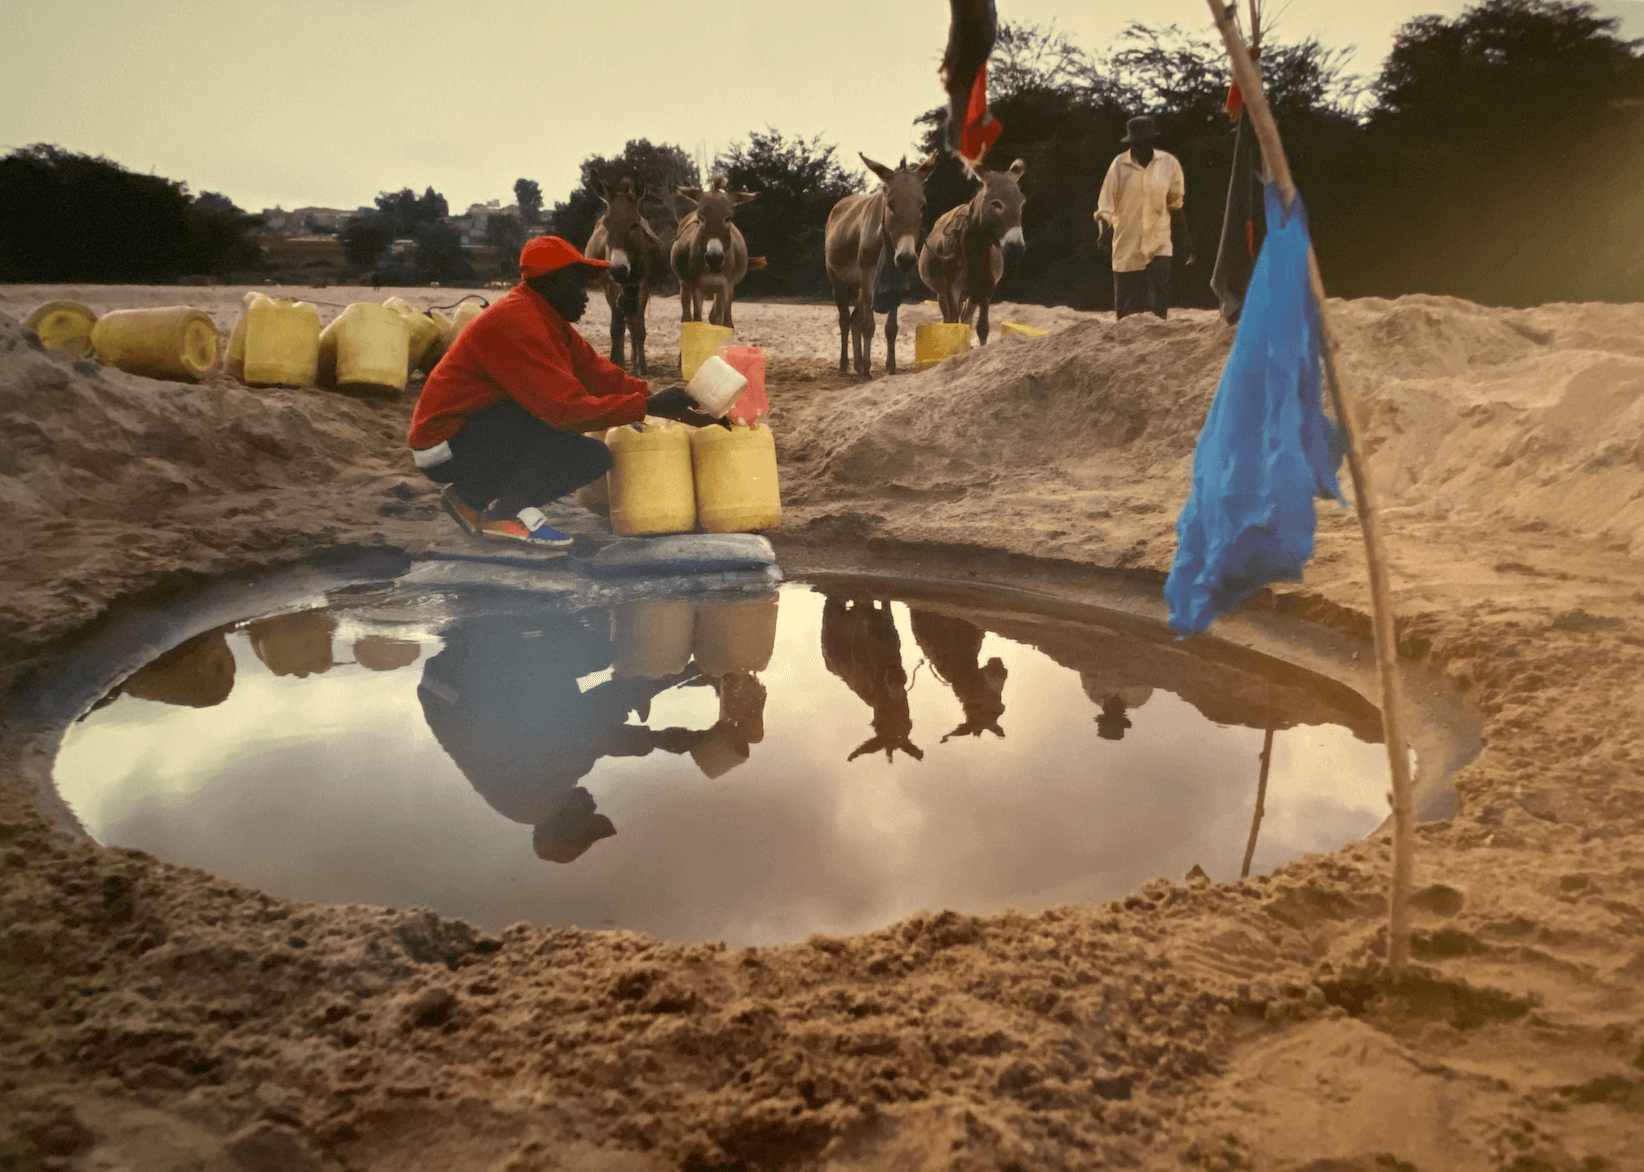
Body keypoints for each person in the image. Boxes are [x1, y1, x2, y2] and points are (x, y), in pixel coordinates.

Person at [407, 235, 714, 548]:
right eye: (578, 284)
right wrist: (646, 407)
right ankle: (500, 513)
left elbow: (598, 374)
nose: (585, 296)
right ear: (553, 282)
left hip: (477, 431)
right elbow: (567, 412)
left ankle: (471, 499)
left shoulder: (547, 319)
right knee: (579, 450)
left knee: (574, 444)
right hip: (443, 444)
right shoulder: (517, 321)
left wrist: (666, 406)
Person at [1095, 116, 1195, 321]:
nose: (1139, 147)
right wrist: (1103, 231)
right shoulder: (1119, 165)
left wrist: (1186, 240)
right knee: (1127, 311)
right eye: (1135, 143)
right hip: (1127, 245)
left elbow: (1176, 205)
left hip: (1159, 243)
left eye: (1144, 142)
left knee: (1158, 305)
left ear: (1151, 140)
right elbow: (1105, 205)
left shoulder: (1169, 164)